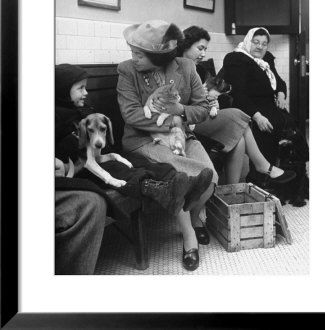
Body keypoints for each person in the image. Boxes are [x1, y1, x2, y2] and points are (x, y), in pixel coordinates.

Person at [55, 63, 213, 274]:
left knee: (140, 163)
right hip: (81, 168)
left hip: (99, 157)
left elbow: (102, 140)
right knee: (124, 171)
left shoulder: (82, 111)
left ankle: (175, 181)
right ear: (63, 89)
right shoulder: (56, 116)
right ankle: (161, 187)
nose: (86, 92)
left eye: (85, 87)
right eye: (80, 88)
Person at [117, 20, 218, 271]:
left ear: (158, 57)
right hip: (142, 140)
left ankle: (194, 219)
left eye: (139, 54)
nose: (134, 58)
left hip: (180, 135)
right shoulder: (127, 71)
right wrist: (171, 121)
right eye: (133, 53)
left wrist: (181, 111)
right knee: (181, 175)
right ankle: (189, 238)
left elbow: (204, 108)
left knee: (212, 176)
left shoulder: (186, 67)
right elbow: (130, 114)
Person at [178, 25, 295, 186]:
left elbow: (198, 98)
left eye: (264, 43)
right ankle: (263, 166)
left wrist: (209, 99)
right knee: (239, 116)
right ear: (186, 45)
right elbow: (179, 102)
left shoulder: (197, 67)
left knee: (239, 140)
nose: (204, 54)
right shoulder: (174, 68)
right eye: (200, 48)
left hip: (200, 114)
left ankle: (233, 191)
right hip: (187, 120)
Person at [222, 26, 291, 172]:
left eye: (264, 43)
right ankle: (264, 176)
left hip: (271, 107)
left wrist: (281, 93)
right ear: (248, 41)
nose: (260, 46)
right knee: (270, 128)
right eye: (256, 42)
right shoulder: (236, 59)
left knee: (294, 131)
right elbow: (237, 94)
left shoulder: (266, 59)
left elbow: (279, 81)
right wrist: (258, 117)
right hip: (250, 109)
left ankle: (290, 176)